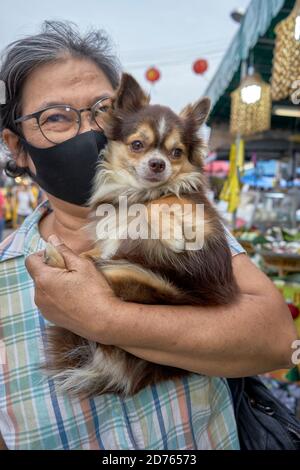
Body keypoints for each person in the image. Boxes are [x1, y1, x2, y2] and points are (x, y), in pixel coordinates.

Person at [0, 21, 296, 450]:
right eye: (56, 118)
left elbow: (277, 340)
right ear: (18, 146)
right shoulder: (7, 272)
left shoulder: (181, 216)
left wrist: (106, 319)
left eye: (102, 108)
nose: (88, 131)